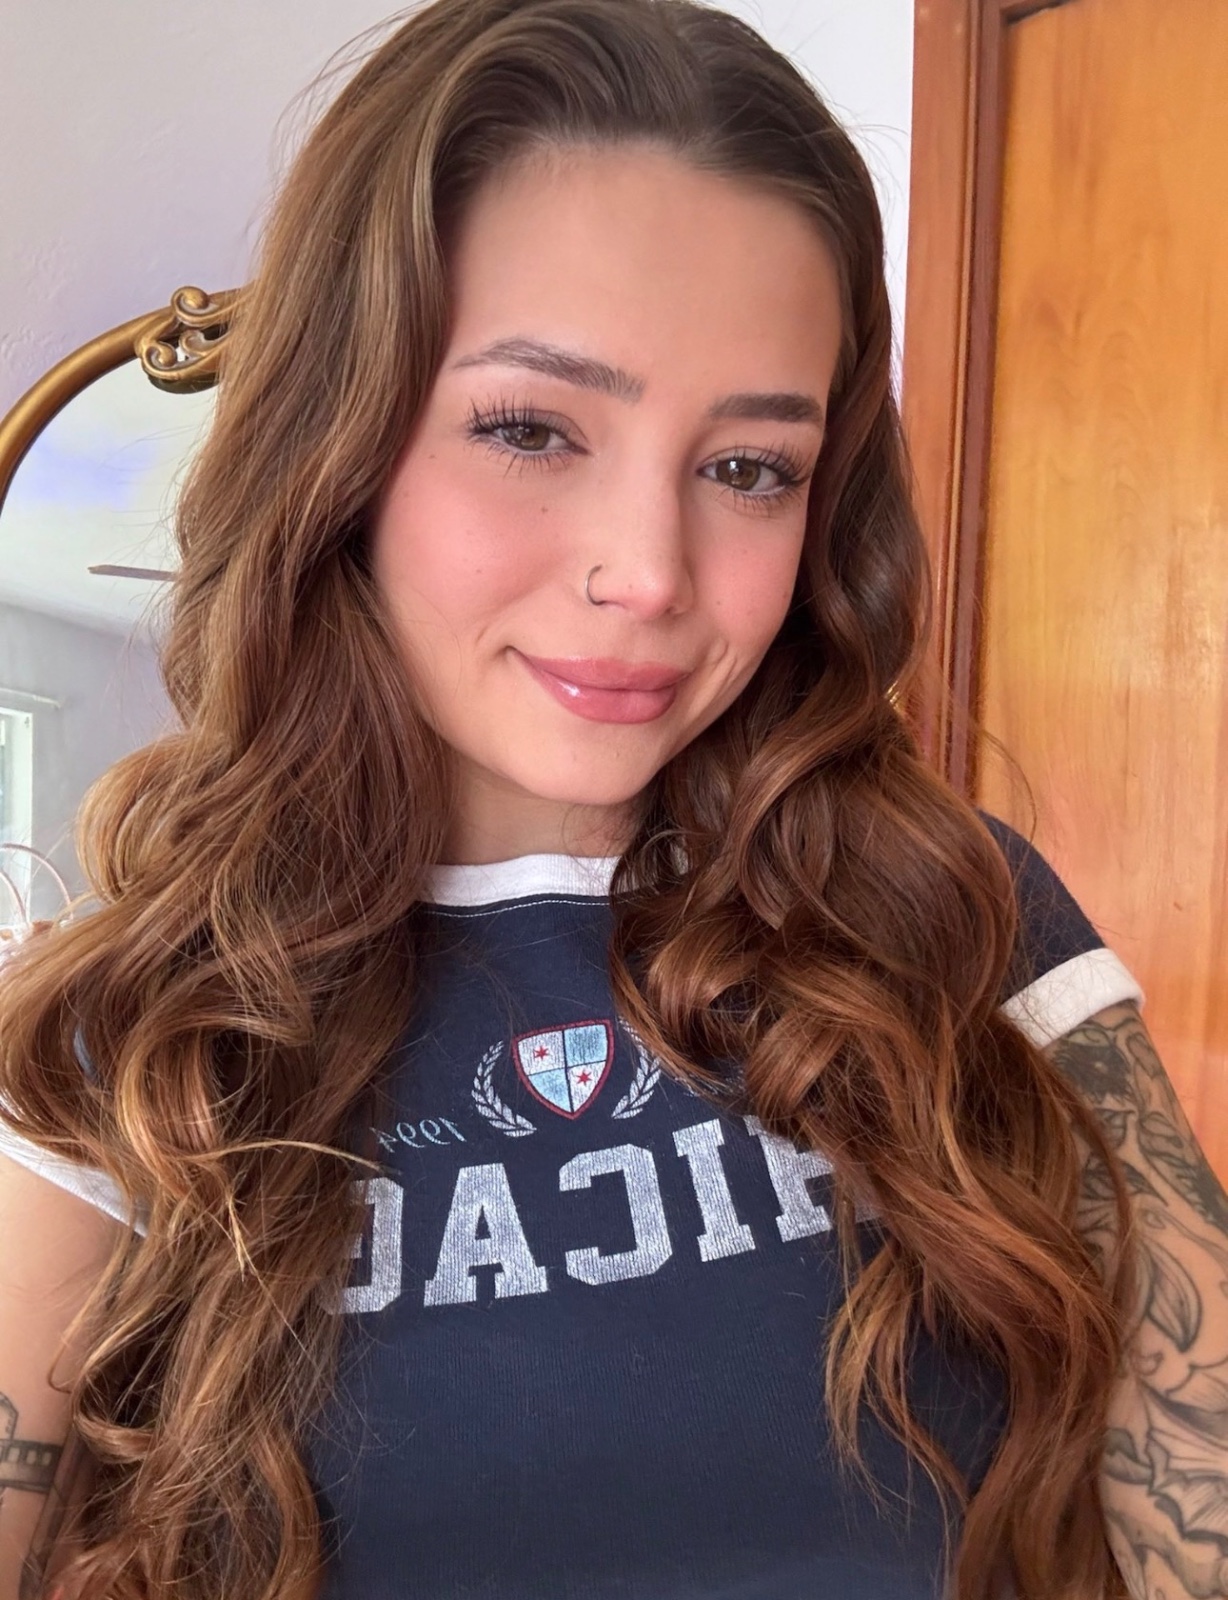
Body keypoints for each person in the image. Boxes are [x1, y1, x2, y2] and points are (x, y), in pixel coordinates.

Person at [1, 0, 1225, 1596]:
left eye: (749, 467)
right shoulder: (134, 1024)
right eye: (529, 429)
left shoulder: (952, 912)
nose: (649, 572)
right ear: (340, 444)